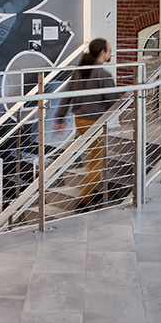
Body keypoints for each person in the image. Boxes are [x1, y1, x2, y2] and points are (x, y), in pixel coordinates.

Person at [53, 39, 118, 208]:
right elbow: (112, 101)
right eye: (109, 50)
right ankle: (84, 199)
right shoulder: (103, 74)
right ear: (102, 52)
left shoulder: (79, 72)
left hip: (80, 121)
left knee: (93, 157)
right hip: (94, 122)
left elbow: (67, 96)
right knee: (97, 161)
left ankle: (94, 190)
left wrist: (59, 119)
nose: (111, 53)